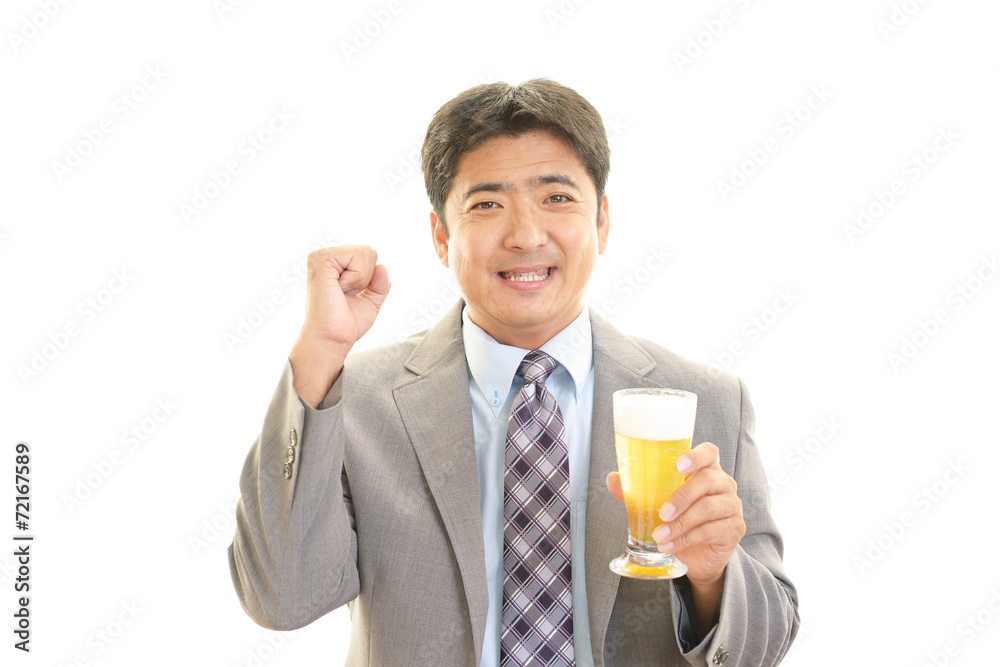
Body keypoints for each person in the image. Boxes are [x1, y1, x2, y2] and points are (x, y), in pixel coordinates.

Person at [228, 78, 799, 666]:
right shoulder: (358, 400)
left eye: (557, 198)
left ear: (602, 222)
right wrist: (320, 352)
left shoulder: (705, 402)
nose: (526, 236)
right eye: (487, 205)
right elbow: (281, 598)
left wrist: (712, 578)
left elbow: (766, 643)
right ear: (440, 237)